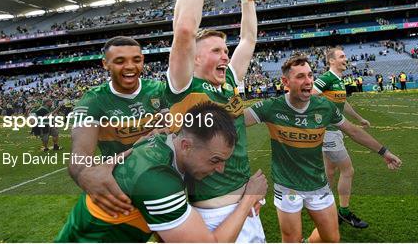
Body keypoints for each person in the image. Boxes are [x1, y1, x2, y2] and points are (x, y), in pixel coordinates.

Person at [165, 0, 265, 242]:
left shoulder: (231, 79)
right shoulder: (184, 85)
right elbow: (183, 30)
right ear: (194, 59)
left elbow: (248, 39)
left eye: (225, 50)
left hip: (247, 208)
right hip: (212, 216)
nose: (225, 55)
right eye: (215, 51)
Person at [56, 103, 268, 243]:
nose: (220, 169)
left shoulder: (161, 144)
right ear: (185, 145)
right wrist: (248, 200)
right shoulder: (158, 181)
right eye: (215, 160)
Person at [244, 55, 402, 242]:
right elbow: (233, 124)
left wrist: (384, 152)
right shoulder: (271, 107)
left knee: (331, 238)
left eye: (310, 75)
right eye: (301, 76)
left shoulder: (324, 106)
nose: (308, 81)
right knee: (291, 239)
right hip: (287, 186)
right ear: (286, 82)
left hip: (318, 184)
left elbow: (353, 131)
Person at [68, 36, 170, 218]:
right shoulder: (93, 101)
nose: (130, 66)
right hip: (120, 185)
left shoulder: (159, 90)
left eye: (136, 60)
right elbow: (80, 156)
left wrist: (164, 130)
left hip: (161, 178)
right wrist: (85, 173)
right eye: (120, 61)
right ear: (105, 64)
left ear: (143, 61)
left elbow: (174, 130)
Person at [312, 47, 371, 229]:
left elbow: (342, 104)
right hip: (329, 131)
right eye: (342, 56)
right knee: (348, 171)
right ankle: (344, 213)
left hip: (333, 130)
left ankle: (327, 211)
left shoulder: (338, 80)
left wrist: (359, 118)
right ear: (331, 61)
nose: (346, 59)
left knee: (330, 172)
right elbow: (310, 97)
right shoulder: (327, 78)